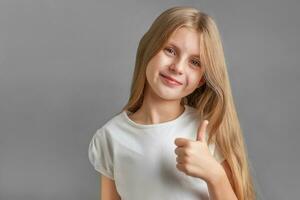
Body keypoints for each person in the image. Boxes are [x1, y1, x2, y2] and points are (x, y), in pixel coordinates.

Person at [88, 6, 256, 200]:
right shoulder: (110, 137)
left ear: (201, 79)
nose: (177, 67)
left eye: (194, 62)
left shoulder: (209, 129)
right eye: (170, 50)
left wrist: (214, 175)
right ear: (148, 50)